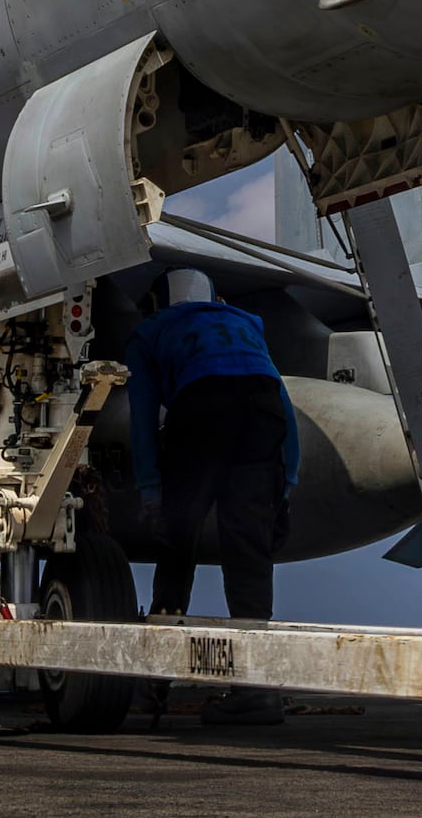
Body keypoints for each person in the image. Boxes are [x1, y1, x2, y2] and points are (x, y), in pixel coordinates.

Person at [125, 268, 300, 725]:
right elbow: (285, 408)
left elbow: (142, 419)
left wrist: (150, 495)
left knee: (177, 542)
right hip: (261, 415)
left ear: (157, 302)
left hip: (200, 409)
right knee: (248, 548)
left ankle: (155, 685)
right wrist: (285, 490)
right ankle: (257, 690)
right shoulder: (246, 323)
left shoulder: (149, 332)